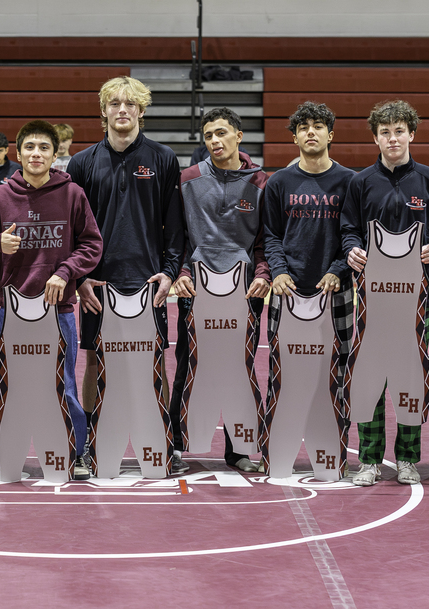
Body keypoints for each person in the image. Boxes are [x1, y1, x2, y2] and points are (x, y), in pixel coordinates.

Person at [0, 119, 102, 481]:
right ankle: (3, 454)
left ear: (55, 154)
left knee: (64, 386)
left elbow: (92, 244)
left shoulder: (72, 195)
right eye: (30, 148)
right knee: (11, 386)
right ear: (18, 154)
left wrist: (65, 272)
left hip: (60, 310)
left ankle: (77, 453)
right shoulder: (0, 196)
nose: (36, 154)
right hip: (13, 312)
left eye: (44, 148)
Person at [67, 76, 183, 476]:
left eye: (130, 104)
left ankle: (164, 444)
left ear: (141, 111)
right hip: (98, 285)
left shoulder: (164, 159)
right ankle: (88, 447)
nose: (122, 109)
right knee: (96, 363)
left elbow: (175, 226)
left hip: (148, 282)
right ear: (103, 111)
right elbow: (71, 229)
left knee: (154, 364)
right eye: (114, 103)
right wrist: (80, 278)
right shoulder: (82, 163)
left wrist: (170, 272)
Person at [340, 100, 429, 487]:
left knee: (410, 376)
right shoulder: (360, 182)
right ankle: (369, 459)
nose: (393, 138)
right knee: (371, 377)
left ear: (411, 134)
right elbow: (348, 229)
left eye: (399, 131)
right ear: (375, 137)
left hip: (418, 299)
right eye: (385, 132)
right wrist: (351, 248)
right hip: (372, 299)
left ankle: (408, 458)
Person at [169, 107, 270, 472]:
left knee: (238, 368)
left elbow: (264, 240)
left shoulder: (261, 183)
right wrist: (180, 271)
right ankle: (175, 446)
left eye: (222, 133)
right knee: (189, 364)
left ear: (239, 136)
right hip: (196, 287)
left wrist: (263, 274)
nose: (215, 141)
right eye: (209, 135)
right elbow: (177, 236)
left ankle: (239, 450)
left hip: (244, 289)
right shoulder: (188, 178)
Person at [262, 101, 357, 475]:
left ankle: (334, 454)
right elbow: (269, 234)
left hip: (336, 290)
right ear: (295, 136)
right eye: (303, 127)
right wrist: (278, 272)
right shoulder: (279, 182)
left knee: (337, 372)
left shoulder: (350, 181)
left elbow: (355, 234)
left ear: (331, 134)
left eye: (319, 126)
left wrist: (338, 270)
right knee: (280, 373)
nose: (311, 132)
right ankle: (276, 456)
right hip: (288, 290)